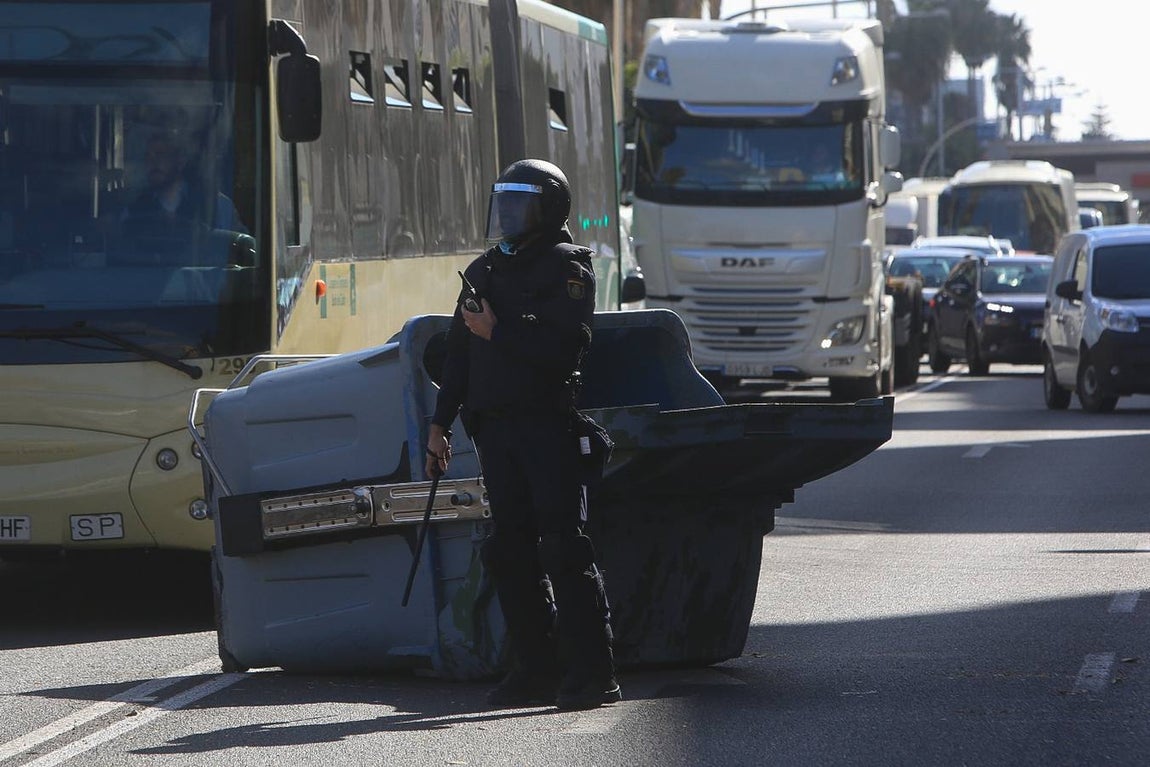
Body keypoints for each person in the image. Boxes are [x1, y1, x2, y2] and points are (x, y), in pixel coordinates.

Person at [424, 158, 621, 711]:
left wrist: (499, 331)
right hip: (495, 431)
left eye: (520, 205)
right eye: (503, 204)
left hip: (546, 427)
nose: (508, 215)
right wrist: (439, 425)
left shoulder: (567, 268)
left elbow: (565, 349)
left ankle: (593, 674)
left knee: (564, 548)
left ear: (548, 209)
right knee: (509, 551)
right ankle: (534, 669)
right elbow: (458, 355)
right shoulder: (485, 269)